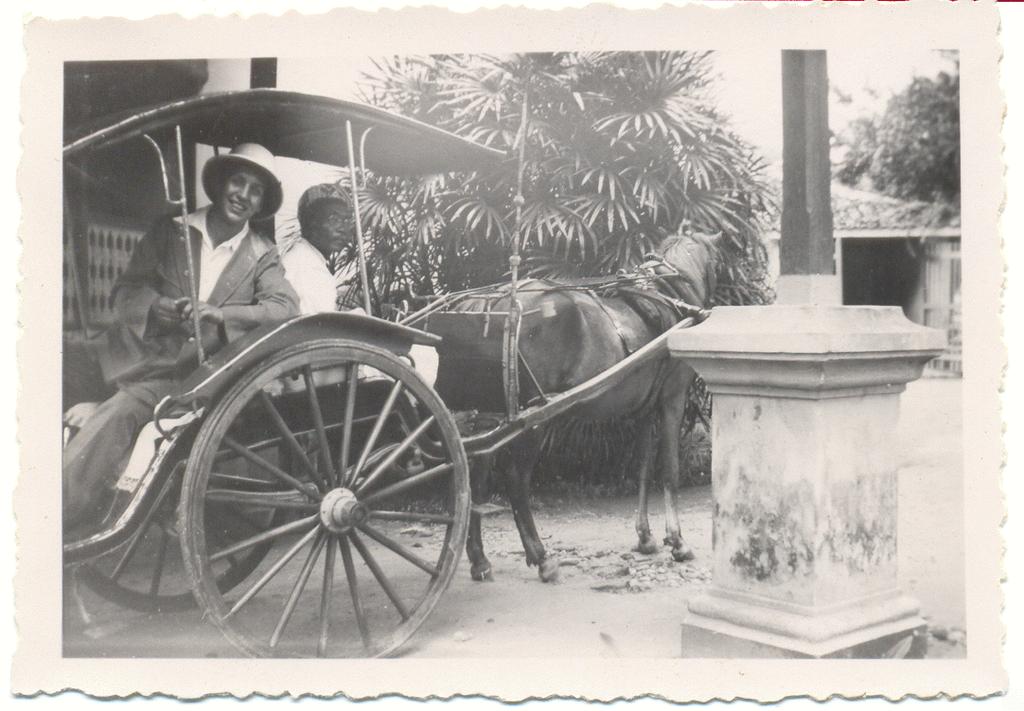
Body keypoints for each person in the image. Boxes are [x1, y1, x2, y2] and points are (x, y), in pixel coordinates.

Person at [62, 143, 300, 531]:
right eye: (237, 181)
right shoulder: (172, 230)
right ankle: (67, 500)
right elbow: (126, 292)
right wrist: (156, 307)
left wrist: (222, 314)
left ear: (260, 204)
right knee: (93, 392)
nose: (243, 195)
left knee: (122, 415)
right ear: (221, 183)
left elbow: (286, 309)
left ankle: (65, 515)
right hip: (149, 363)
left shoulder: (262, 253)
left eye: (255, 190)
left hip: (202, 380)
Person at [280, 183, 361, 315]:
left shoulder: (307, 258)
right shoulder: (305, 267)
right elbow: (319, 331)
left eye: (346, 220)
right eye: (334, 219)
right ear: (310, 224)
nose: (343, 229)